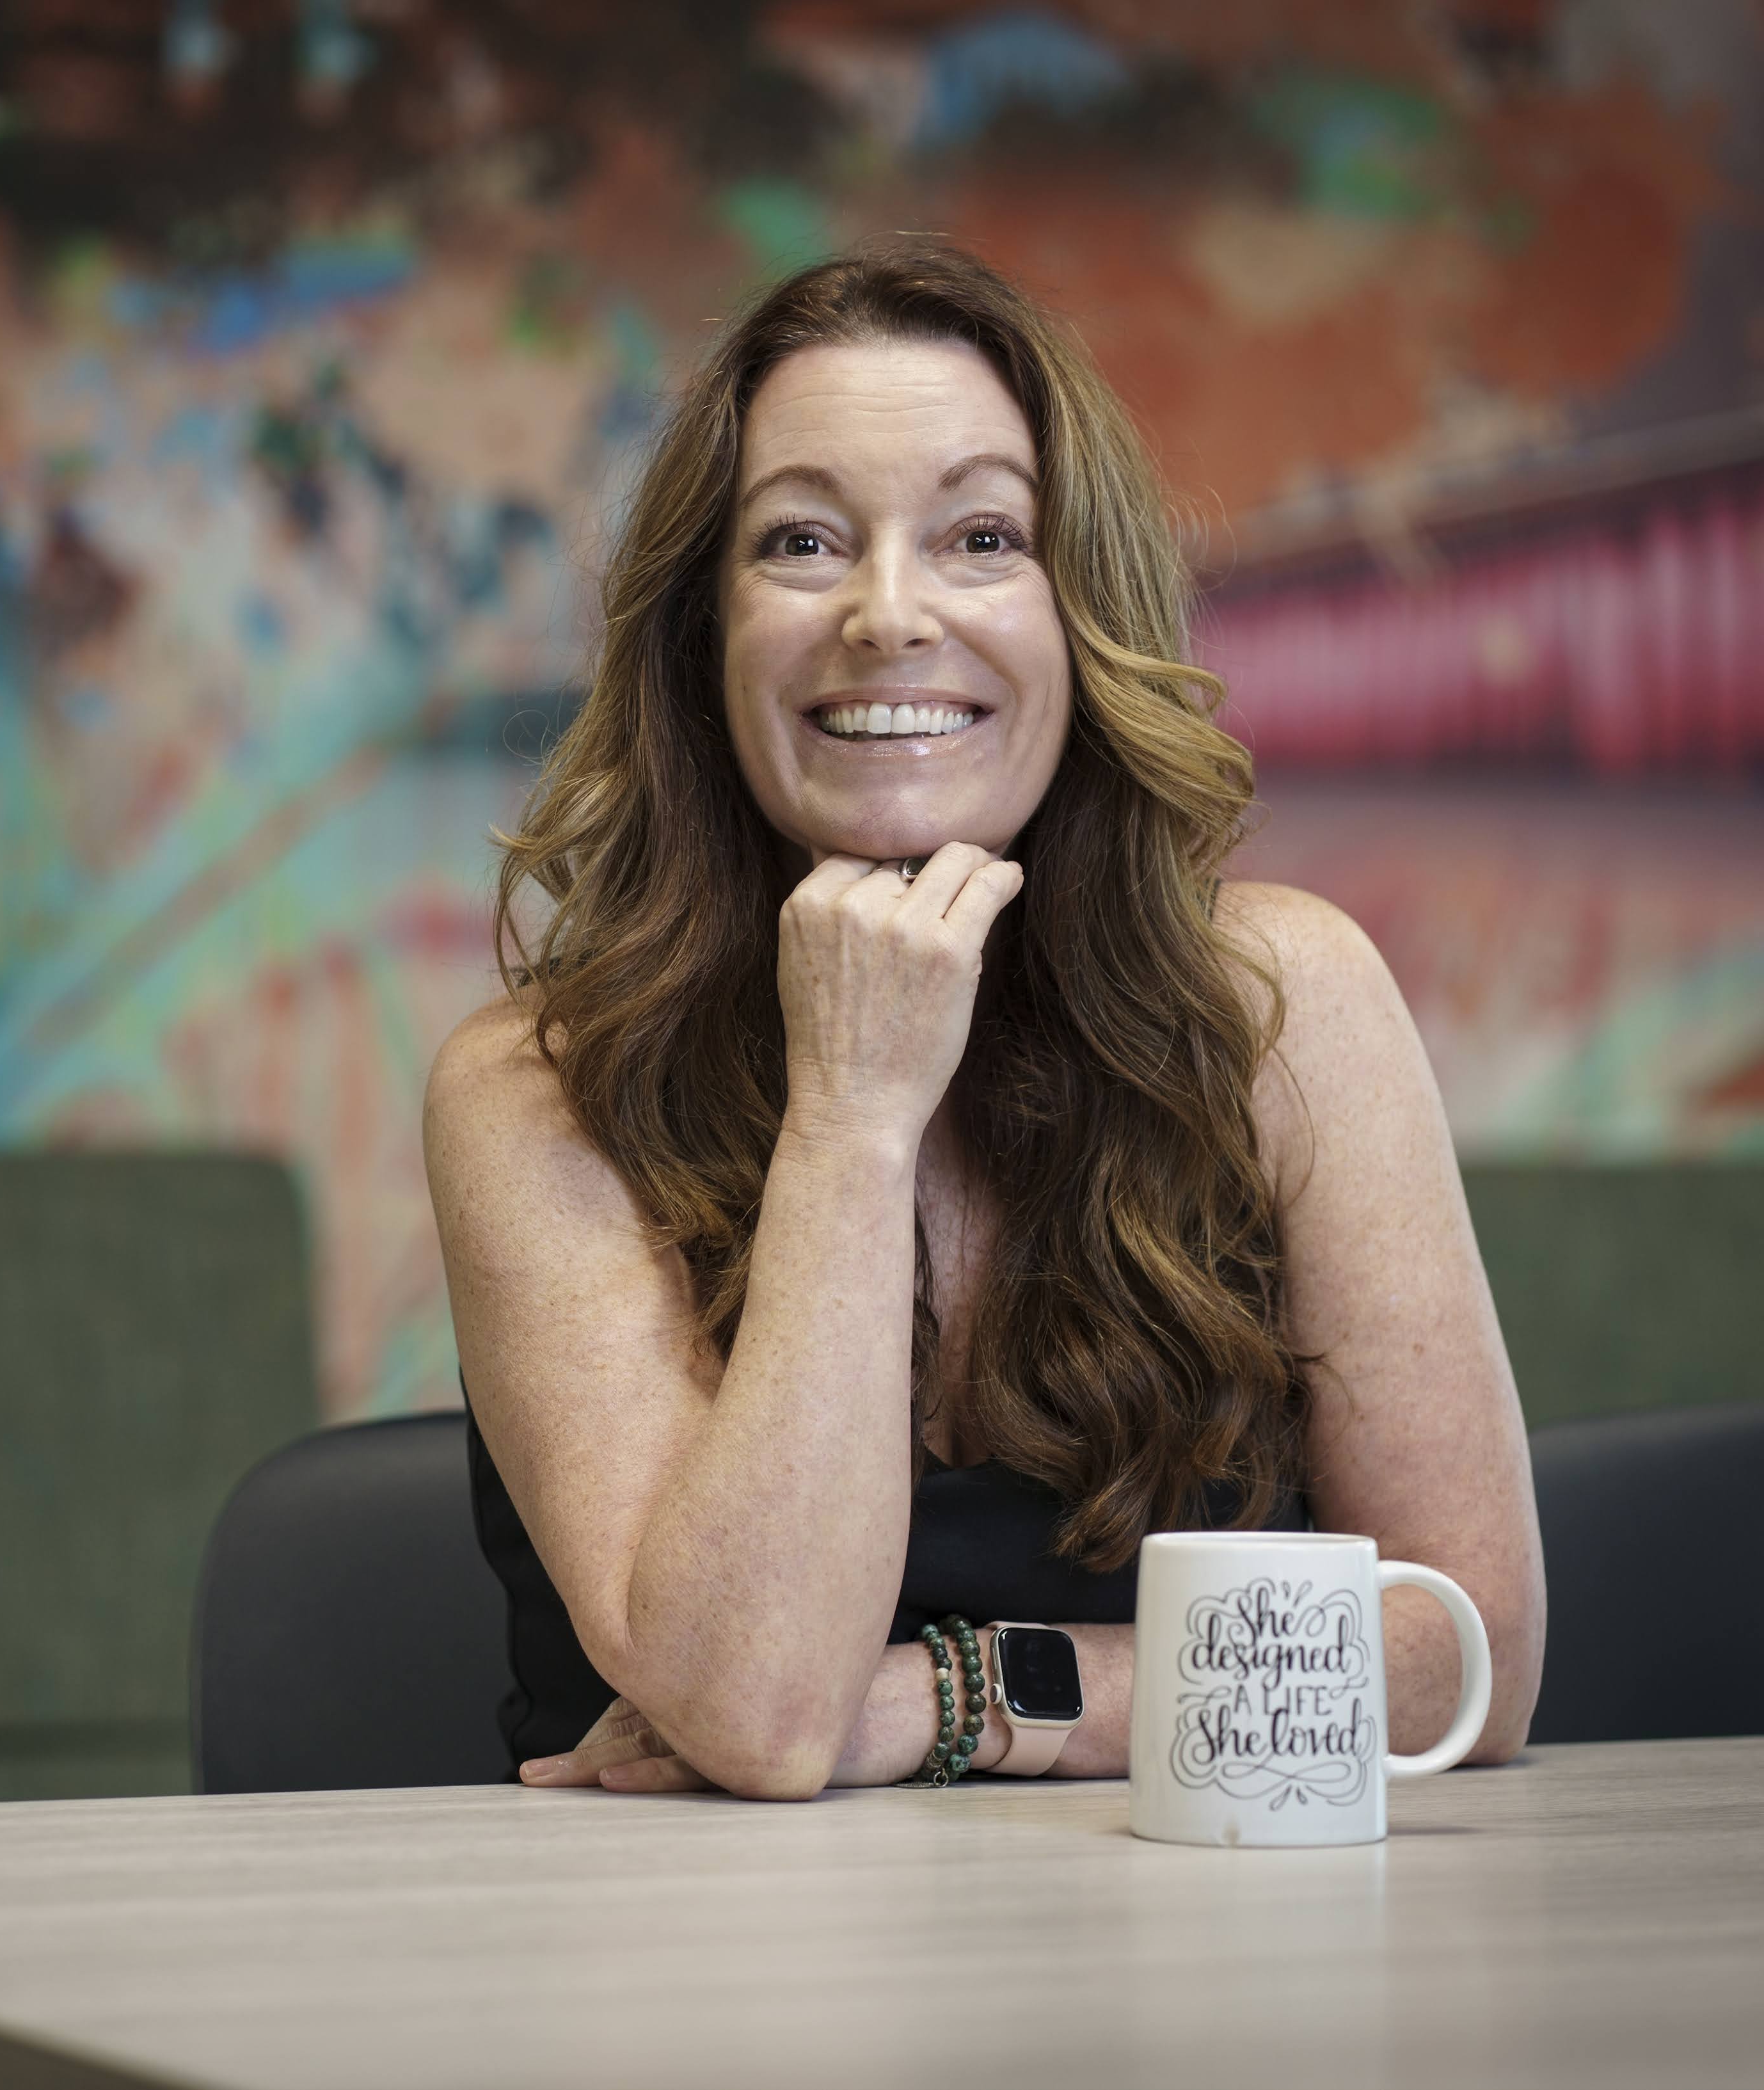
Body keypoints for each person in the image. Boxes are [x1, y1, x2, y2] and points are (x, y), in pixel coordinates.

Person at [424, 240, 1545, 1798]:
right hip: (689, 1986)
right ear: (703, 634)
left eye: (978, 537)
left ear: (1079, 617)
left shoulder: (1289, 1008)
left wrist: (948, 1696)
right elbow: (758, 1706)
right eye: (801, 541)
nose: (886, 616)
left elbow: (1461, 1656)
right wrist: (852, 1115)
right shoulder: (533, 1089)